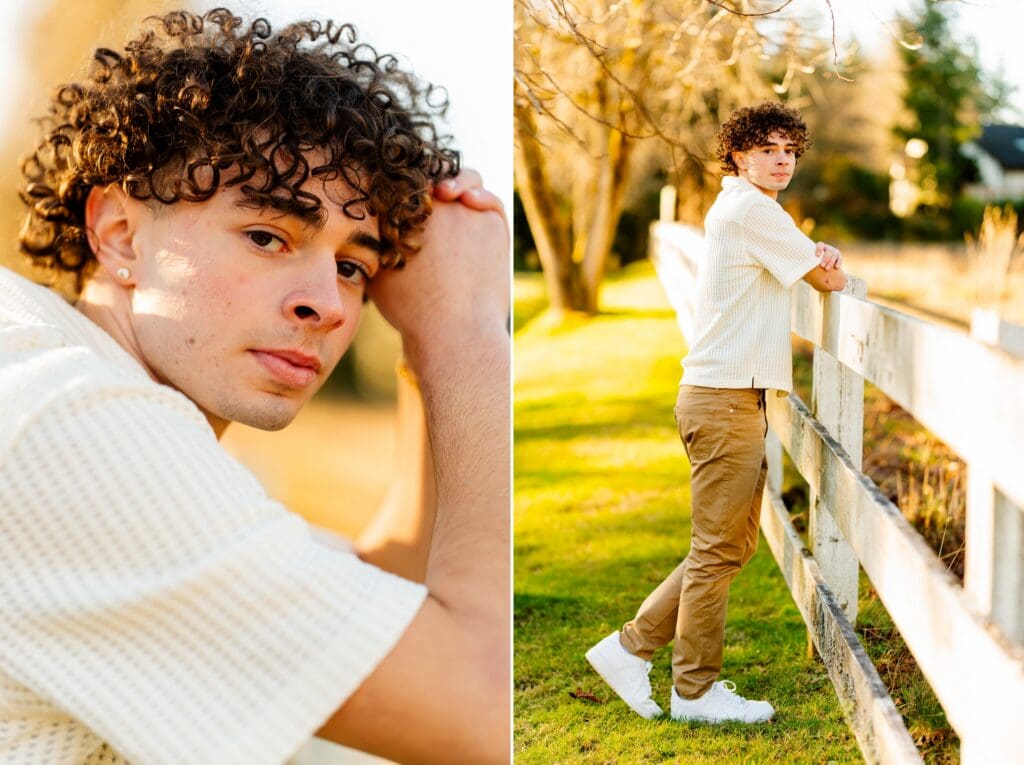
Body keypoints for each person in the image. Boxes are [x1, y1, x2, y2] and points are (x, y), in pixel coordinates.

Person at [0, 9, 509, 764]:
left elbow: (375, 605)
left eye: (353, 266)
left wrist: (426, 353)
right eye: (269, 236)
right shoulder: (72, 423)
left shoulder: (69, 376)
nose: (329, 306)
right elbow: (488, 713)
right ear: (119, 233)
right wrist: (468, 334)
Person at [585, 101, 846, 724]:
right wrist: (827, 257)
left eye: (789, 150)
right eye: (767, 150)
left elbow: (803, 262)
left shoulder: (748, 207)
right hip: (726, 401)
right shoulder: (753, 208)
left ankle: (629, 649)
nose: (781, 160)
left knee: (731, 546)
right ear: (738, 156)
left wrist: (817, 250)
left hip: (729, 397)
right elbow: (827, 282)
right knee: (715, 551)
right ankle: (693, 691)